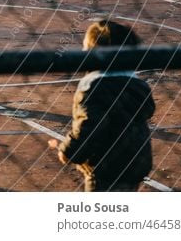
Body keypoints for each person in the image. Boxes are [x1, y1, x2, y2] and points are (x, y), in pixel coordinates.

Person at [48, 20, 155, 192]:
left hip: (106, 167)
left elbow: (89, 125)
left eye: (86, 48)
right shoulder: (136, 84)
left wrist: (68, 151)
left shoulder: (94, 86)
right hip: (136, 161)